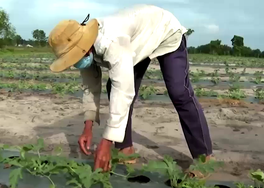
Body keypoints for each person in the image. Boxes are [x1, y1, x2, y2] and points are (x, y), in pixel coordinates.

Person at [48, 4, 213, 178]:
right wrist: (87, 127)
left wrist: (106, 142)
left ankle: (204, 158)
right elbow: (90, 87)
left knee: (180, 92)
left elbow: (124, 91)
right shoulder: (84, 50)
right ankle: (125, 150)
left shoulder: (113, 42)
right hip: (136, 42)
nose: (75, 61)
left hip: (164, 31)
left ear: (84, 46)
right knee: (113, 87)